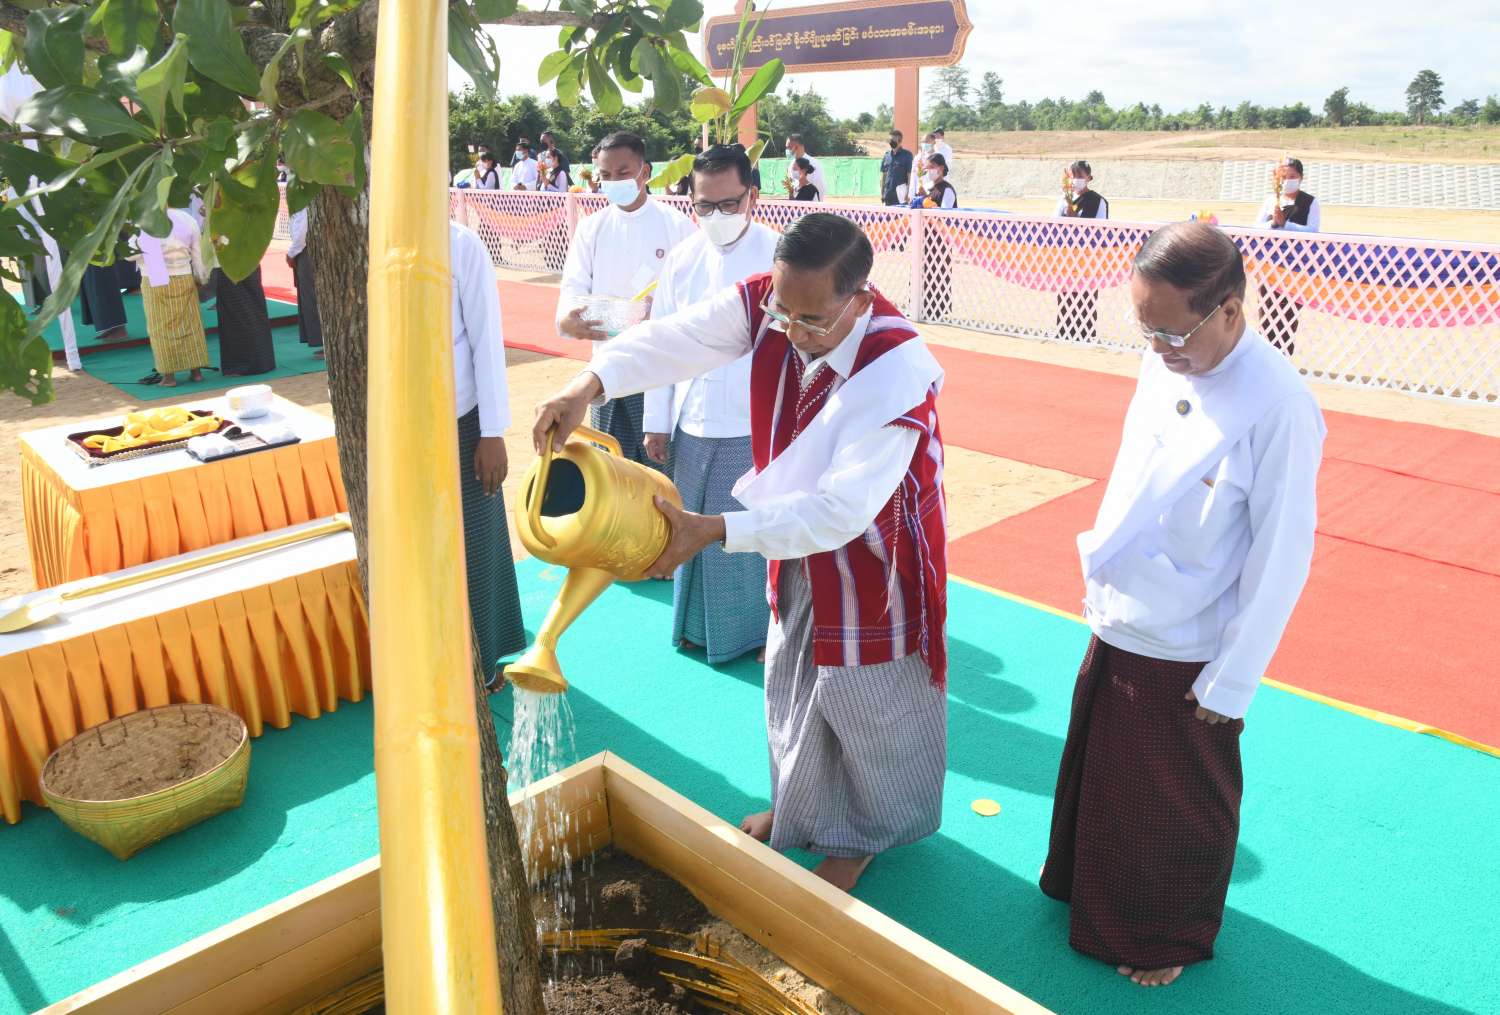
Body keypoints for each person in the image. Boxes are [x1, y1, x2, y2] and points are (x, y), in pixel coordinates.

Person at [533, 214, 949, 894]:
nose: (791, 330)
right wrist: (589, 385)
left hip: (876, 549)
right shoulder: (771, 305)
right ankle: (799, 807)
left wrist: (715, 530)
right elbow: (678, 336)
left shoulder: (896, 369)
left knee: (863, 693)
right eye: (782, 311)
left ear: (860, 299)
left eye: (811, 319)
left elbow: (840, 513)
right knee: (790, 671)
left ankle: (861, 838)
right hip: (788, 526)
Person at [1040, 222, 1325, 989]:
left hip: (1190, 638)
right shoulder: (1164, 356)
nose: (1158, 346)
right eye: (1145, 327)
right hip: (1123, 607)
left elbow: (1282, 555)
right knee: (1103, 774)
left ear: (1230, 310)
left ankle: (1167, 931)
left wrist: (1232, 680)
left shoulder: (1280, 405)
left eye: (1172, 331)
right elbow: (1135, 471)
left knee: (1174, 801)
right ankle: (1081, 885)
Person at [641, 144, 777, 665]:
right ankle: (697, 629)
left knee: (749, 534)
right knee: (690, 526)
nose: (716, 216)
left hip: (756, 423)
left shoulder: (780, 256)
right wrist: (657, 421)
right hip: (691, 420)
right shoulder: (682, 259)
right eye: (704, 206)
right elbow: (660, 345)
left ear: (753, 196)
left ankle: (763, 634)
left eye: (729, 204)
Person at [555, 131, 696, 469]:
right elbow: (572, 292)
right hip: (605, 372)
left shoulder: (677, 227)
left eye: (623, 172)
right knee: (610, 473)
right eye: (605, 175)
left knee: (660, 476)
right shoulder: (591, 228)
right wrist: (568, 319)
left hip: (657, 374)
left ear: (645, 172)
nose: (614, 181)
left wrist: (655, 314)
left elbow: (693, 301)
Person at [450, 220, 526, 685]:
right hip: (398, 426)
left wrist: (492, 431)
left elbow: (485, 340)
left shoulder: (459, 244)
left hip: (462, 418)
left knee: (477, 541)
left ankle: (487, 657)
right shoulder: (373, 235)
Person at [130, 208, 210, 387]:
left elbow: (130, 254)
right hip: (183, 273)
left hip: (155, 271)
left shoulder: (145, 218)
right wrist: (201, 277)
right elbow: (197, 253)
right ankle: (196, 372)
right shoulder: (186, 218)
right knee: (190, 323)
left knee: (160, 326)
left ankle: (169, 377)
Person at [1254, 157, 1321, 355]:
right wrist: (1273, 224)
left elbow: (1313, 231)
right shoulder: (1270, 201)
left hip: (1296, 267)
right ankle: (1265, 354)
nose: (1287, 181)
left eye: (1292, 176)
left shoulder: (1310, 202)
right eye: (1283, 177)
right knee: (1267, 310)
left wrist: (1287, 225)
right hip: (1270, 266)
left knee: (1289, 312)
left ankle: (1283, 355)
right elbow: (1256, 228)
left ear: (1301, 177)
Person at [1055, 160, 1109, 342]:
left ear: (1089, 178)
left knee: (1085, 296)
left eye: (1079, 176)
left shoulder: (1098, 201)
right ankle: (1064, 331)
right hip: (1066, 256)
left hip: (1088, 258)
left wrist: (1073, 214)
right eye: (1072, 176)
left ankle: (1085, 334)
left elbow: (1097, 230)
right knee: (1065, 295)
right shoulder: (1062, 200)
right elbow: (1054, 225)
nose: (1075, 179)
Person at [916, 154, 957, 322]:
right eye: (927, 168)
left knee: (937, 273)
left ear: (941, 168)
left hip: (940, 240)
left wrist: (927, 204)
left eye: (932, 167)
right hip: (925, 238)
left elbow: (946, 214)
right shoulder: (928, 188)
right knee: (922, 272)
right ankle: (921, 306)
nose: (929, 171)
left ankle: (937, 309)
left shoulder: (947, 189)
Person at [287, 207, 324, 359]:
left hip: (307, 249)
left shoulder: (305, 201)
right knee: (311, 296)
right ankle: (323, 341)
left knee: (312, 297)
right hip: (307, 249)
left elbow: (302, 230)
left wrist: (292, 253)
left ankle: (324, 341)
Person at [783, 135, 825, 201]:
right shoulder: (791, 165)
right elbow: (791, 187)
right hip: (796, 204)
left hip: (811, 204)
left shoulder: (814, 163)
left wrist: (815, 205)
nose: (787, 150)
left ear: (796, 146)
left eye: (789, 147)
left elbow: (820, 187)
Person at [880, 129, 913, 207]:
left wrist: (908, 193)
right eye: (890, 140)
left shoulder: (907, 155)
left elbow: (910, 175)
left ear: (900, 141)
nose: (890, 142)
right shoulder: (887, 155)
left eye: (893, 140)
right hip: (888, 195)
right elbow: (883, 176)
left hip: (901, 196)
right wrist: (882, 193)